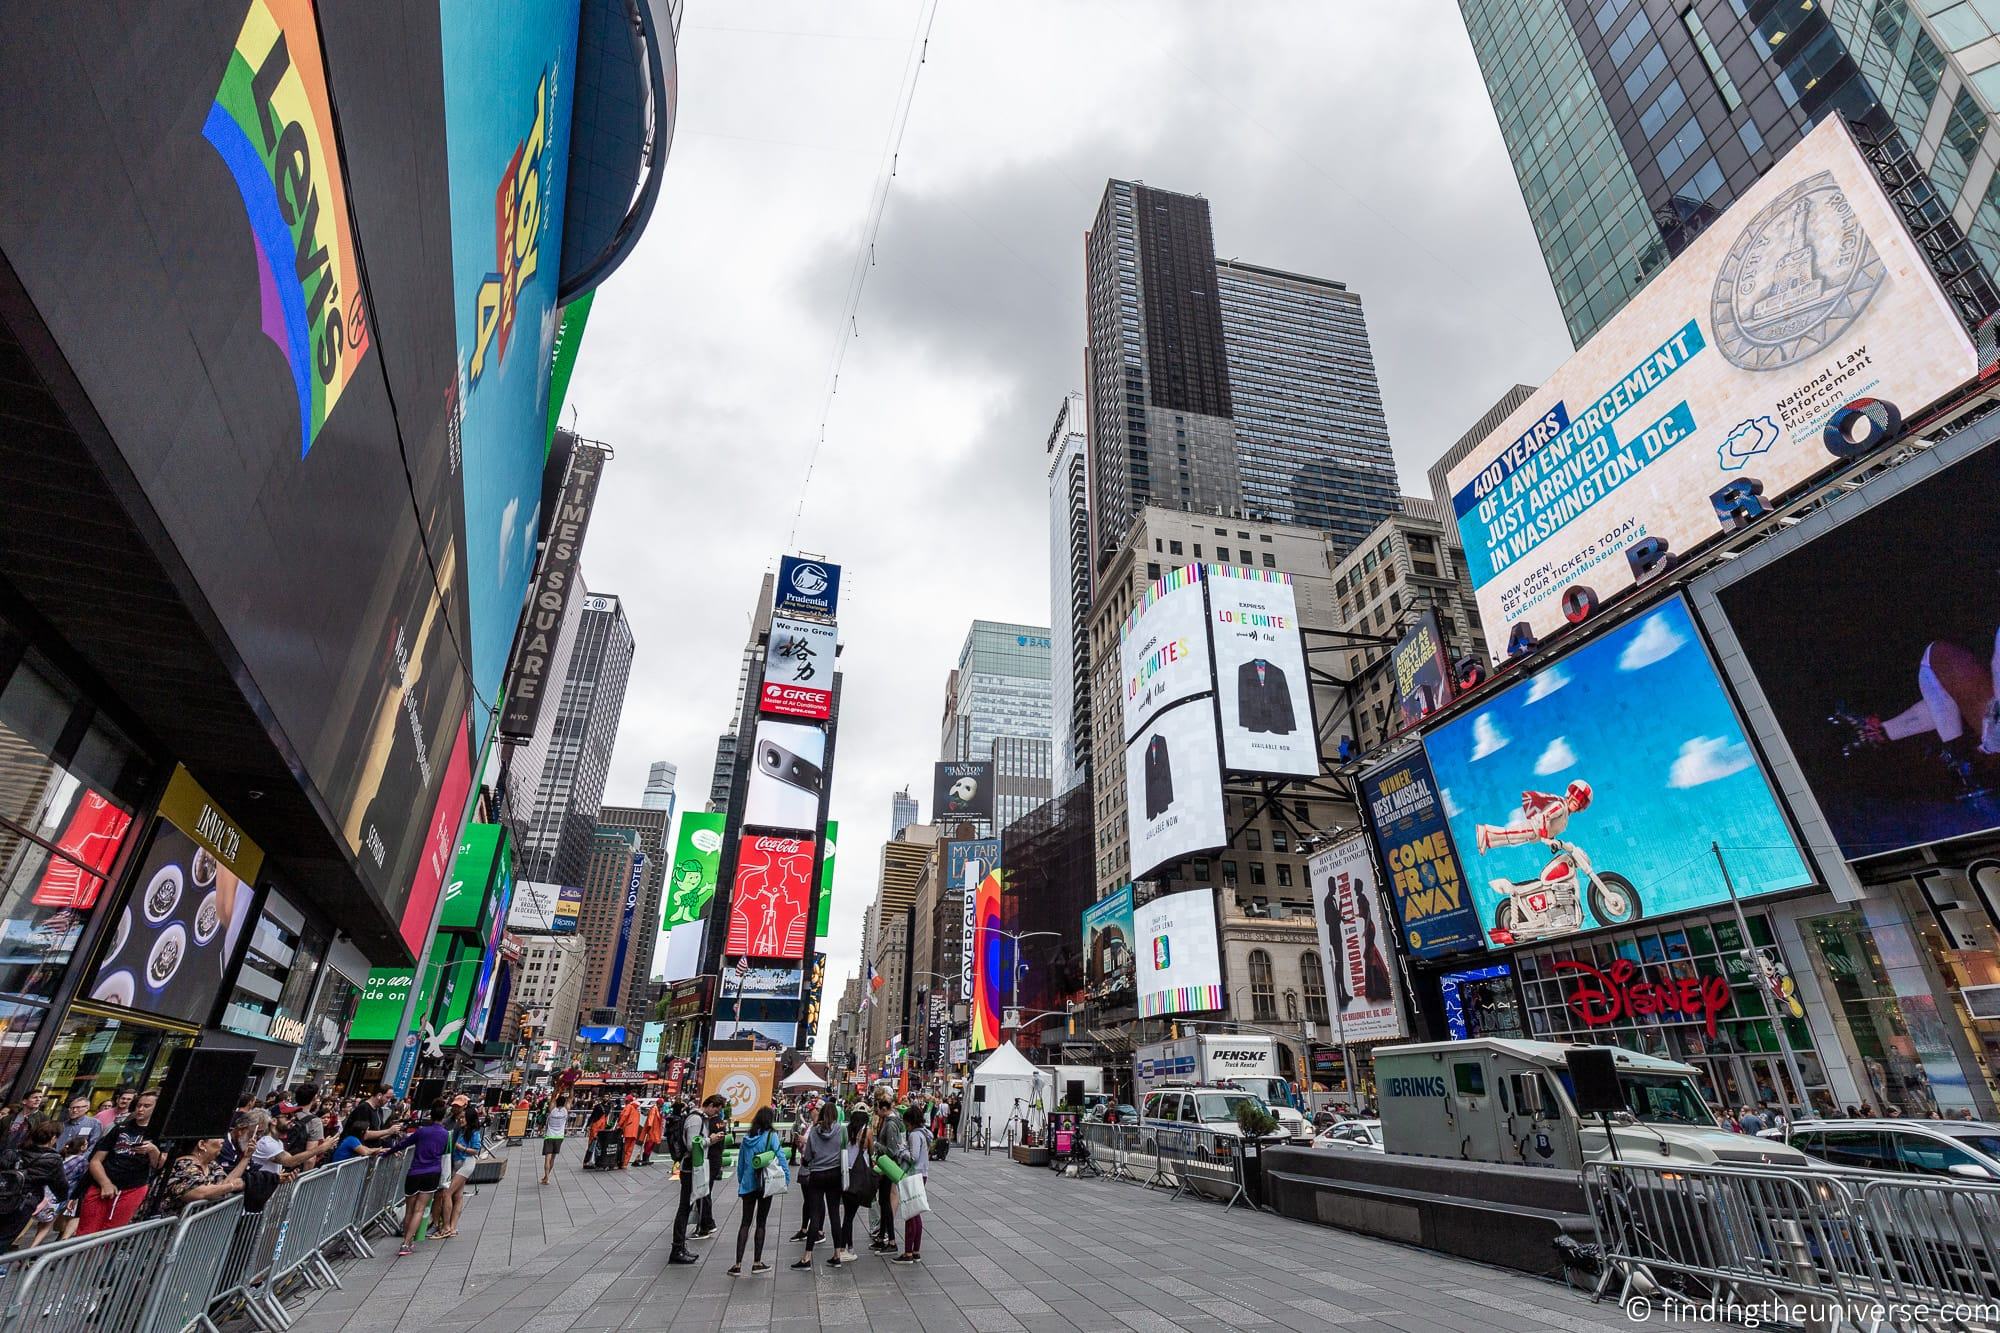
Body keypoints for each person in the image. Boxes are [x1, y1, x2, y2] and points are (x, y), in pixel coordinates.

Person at [79, 1090, 163, 1233]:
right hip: (103, 1182)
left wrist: (153, 1150)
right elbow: (95, 1161)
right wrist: (105, 1183)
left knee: (113, 1231)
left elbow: (159, 1165)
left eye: (147, 1106)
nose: (141, 1109)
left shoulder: (158, 1132)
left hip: (133, 1186)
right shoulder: (120, 1128)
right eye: (139, 1105)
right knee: (87, 1229)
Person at [386, 1102, 452, 1257]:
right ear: (443, 1117)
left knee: (410, 1209)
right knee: (419, 1209)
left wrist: (386, 1153)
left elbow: (402, 1144)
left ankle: (406, 1241)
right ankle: (407, 1242)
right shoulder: (444, 1134)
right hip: (432, 1173)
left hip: (414, 1172)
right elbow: (444, 1153)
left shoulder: (421, 1132)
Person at [729, 1107, 787, 1276]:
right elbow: (781, 1157)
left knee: (745, 1223)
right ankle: (757, 1262)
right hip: (764, 1185)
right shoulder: (771, 1136)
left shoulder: (747, 1138)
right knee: (761, 1222)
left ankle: (738, 1264)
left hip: (747, 1185)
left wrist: (742, 1181)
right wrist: (786, 1178)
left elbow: (740, 1164)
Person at [0, 1119, 67, 1253]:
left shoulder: (14, 1152)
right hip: (23, 1204)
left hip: (3, 1196)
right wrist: (62, 1199)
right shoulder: (53, 1160)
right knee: (4, 1239)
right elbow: (60, 1186)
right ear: (53, 1138)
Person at [792, 1100, 845, 1269]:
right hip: (835, 1174)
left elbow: (807, 1156)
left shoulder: (814, 1131)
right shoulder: (841, 1130)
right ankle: (837, 1254)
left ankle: (807, 1257)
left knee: (814, 1215)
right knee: (835, 1214)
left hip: (817, 1174)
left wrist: (809, 1161)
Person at [667, 1097, 715, 1265]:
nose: (716, 1113)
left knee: (686, 1207)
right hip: (689, 1169)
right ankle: (677, 1248)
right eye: (716, 1109)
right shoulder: (695, 1119)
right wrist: (711, 1140)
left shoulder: (699, 1118)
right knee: (684, 1208)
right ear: (709, 1105)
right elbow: (691, 1144)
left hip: (693, 1168)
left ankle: (680, 1247)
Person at [156, 1135, 248, 1218]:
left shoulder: (211, 1165)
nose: (222, 1141)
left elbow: (223, 1185)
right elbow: (199, 1192)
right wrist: (232, 1186)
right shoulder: (183, 1164)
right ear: (202, 1144)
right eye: (217, 1137)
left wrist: (246, 1157)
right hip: (167, 1230)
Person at [433, 1101, 481, 1239]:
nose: (460, 1120)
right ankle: (453, 1227)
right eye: (460, 1118)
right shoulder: (461, 1130)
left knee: (447, 1193)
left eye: (463, 1118)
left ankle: (446, 1227)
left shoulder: (474, 1132)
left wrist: (461, 1148)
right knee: (458, 1196)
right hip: (458, 1163)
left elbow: (476, 1150)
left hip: (466, 1163)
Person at [868, 1091, 905, 1254]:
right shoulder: (891, 1120)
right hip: (885, 1167)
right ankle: (882, 1237)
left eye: (877, 1107)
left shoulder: (890, 1124)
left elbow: (891, 1150)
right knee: (883, 1201)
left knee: (885, 1202)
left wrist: (876, 1145)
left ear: (884, 1108)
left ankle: (891, 1240)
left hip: (887, 1167)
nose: (876, 1111)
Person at [894, 1105, 931, 1264]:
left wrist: (902, 1151)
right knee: (916, 1213)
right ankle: (915, 1251)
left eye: (906, 1123)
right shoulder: (925, 1133)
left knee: (910, 1213)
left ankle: (908, 1252)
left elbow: (913, 1157)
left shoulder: (915, 1135)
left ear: (910, 1122)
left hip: (913, 1174)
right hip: (922, 1174)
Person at [539, 1094, 570, 1185]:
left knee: (547, 1158)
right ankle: (546, 1176)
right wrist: (571, 1085)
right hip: (559, 1137)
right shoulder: (565, 1111)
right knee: (552, 1158)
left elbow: (553, 1097)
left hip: (549, 1136)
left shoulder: (552, 1111)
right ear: (564, 1103)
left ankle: (547, 1178)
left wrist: (558, 1088)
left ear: (556, 1102)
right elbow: (570, 1097)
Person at [618, 1094, 641, 1170]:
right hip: (634, 1131)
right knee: (630, 1148)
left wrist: (619, 1125)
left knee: (625, 1147)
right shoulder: (637, 1109)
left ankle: (621, 1162)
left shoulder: (629, 1106)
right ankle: (625, 1164)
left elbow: (624, 1116)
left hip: (628, 1129)